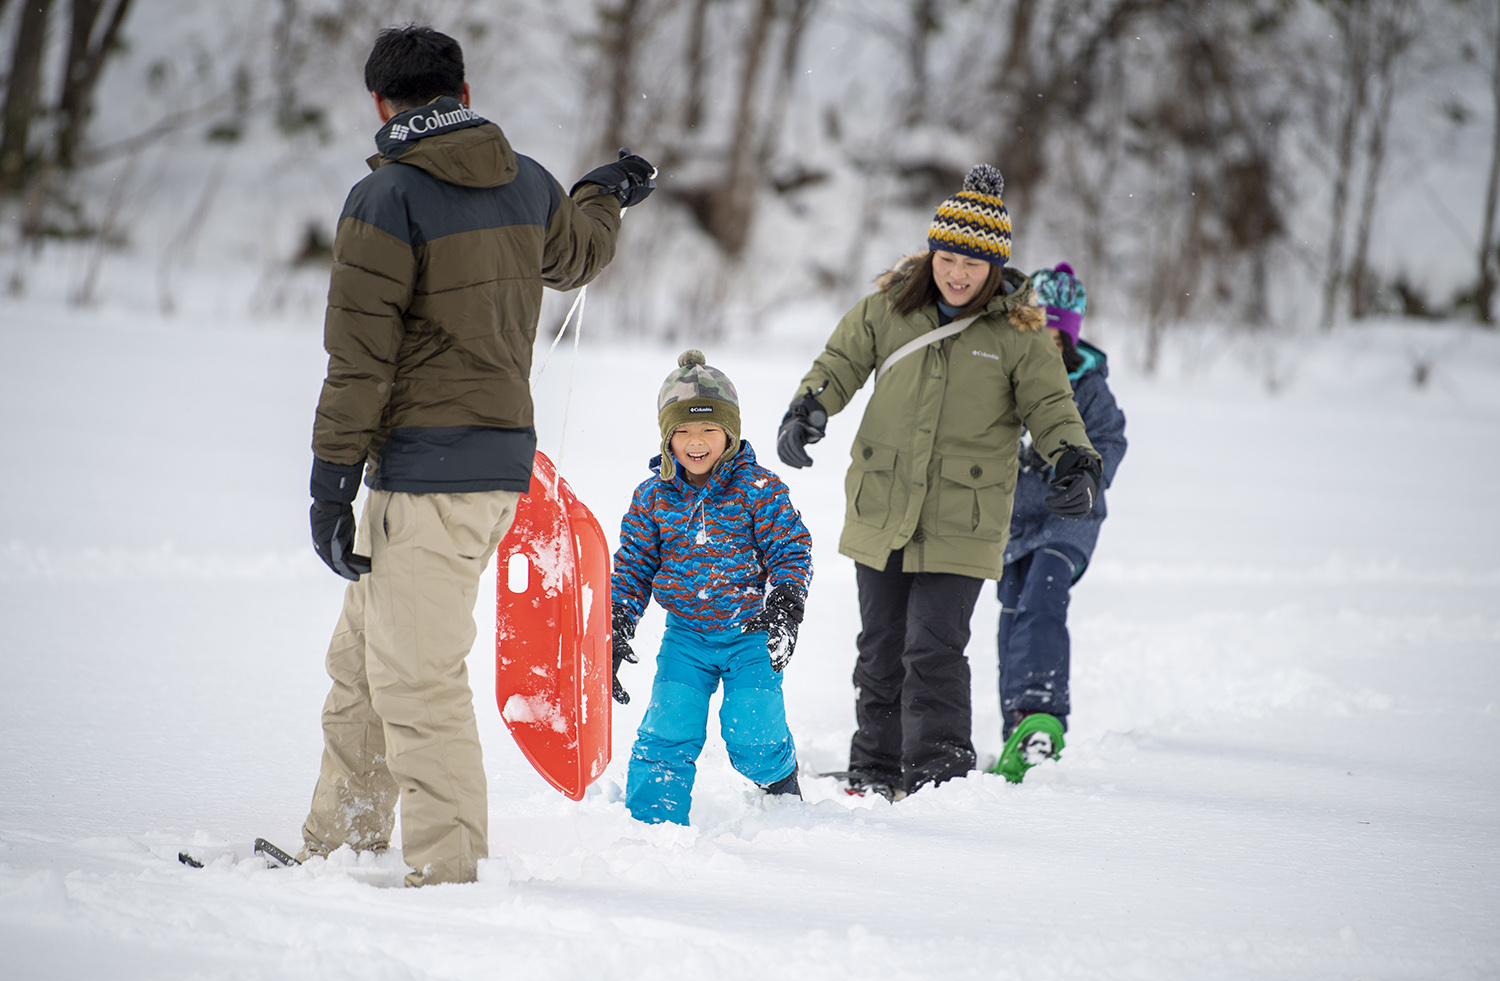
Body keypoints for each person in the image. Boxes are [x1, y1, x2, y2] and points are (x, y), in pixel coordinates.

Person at [299, 24, 655, 886]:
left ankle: (451, 874)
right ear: (462, 92)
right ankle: (342, 842)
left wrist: (329, 482)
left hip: (426, 478)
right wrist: (602, 192)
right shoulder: (526, 181)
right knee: (362, 668)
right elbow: (581, 253)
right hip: (492, 472)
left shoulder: (384, 201)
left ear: (382, 106)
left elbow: (359, 359)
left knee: (416, 680)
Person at [776, 165, 1101, 800]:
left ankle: (936, 778)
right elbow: (840, 362)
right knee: (879, 649)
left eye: (972, 265)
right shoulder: (889, 308)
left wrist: (1075, 460)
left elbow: (1053, 408)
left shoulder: (1019, 333)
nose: (957, 273)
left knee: (933, 650)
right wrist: (808, 407)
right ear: (931, 253)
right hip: (883, 503)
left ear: (994, 269)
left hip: (963, 515)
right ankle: (873, 770)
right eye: (947, 256)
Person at [611, 350, 814, 825]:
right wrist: (617, 621)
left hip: (750, 634)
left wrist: (785, 605)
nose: (695, 442)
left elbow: (790, 549)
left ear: (730, 432)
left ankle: (782, 793)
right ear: (667, 437)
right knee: (667, 730)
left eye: (708, 430)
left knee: (753, 735)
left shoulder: (759, 489)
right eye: (681, 431)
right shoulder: (653, 496)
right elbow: (634, 567)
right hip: (686, 637)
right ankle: (651, 829)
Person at [991, 262, 1126, 782]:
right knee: (1011, 613)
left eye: (1057, 334)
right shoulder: (1010, 375)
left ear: (1070, 335)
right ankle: (1016, 731)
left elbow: (1110, 439)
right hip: (1012, 523)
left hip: (1067, 520)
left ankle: (1043, 716)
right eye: (1038, 330)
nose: (1047, 342)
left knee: (1043, 601)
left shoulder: (1088, 387)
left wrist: (1086, 474)